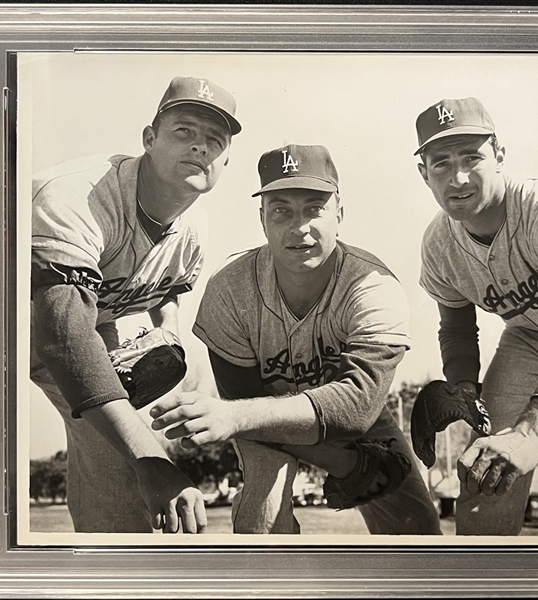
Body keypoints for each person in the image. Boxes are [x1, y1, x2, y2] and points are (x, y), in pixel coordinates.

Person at [149, 144, 441, 535]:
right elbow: (244, 412)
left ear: (339, 214)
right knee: (263, 514)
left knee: (418, 532)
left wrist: (234, 418)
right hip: (261, 417)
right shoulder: (230, 290)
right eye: (281, 210)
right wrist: (346, 464)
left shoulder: (373, 286)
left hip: (340, 415)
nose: (298, 227)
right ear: (262, 219)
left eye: (314, 208)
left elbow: (355, 407)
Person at [30, 76, 241, 534]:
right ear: (149, 138)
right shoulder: (80, 196)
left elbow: (167, 290)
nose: (200, 147)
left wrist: (171, 340)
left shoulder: (193, 229)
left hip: (79, 324)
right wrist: (150, 454)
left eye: (214, 140)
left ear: (226, 159)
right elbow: (61, 335)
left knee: (117, 463)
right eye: (184, 131)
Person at [412, 97, 538, 535]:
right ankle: (481, 576)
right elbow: (457, 329)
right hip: (528, 338)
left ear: (500, 156)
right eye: (442, 163)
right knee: (487, 469)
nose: (459, 177)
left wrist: (533, 431)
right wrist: (464, 389)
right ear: (423, 173)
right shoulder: (437, 245)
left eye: (473, 157)